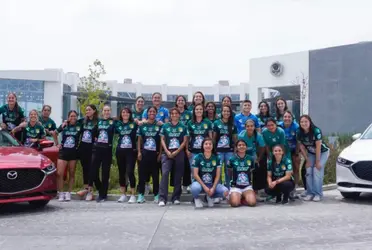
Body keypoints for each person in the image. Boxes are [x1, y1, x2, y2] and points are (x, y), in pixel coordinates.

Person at [159, 108, 188, 206]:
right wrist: (166, 151)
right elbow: (162, 139)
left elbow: (184, 141)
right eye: (172, 113)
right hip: (166, 153)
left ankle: (176, 197)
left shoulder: (183, 127)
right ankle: (162, 198)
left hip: (179, 152)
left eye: (176, 113)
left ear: (179, 115)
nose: (174, 115)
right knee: (165, 173)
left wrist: (177, 152)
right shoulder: (165, 126)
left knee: (178, 175)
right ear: (170, 115)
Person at [297, 115, 330, 202]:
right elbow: (301, 146)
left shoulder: (316, 131)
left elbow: (318, 146)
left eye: (306, 121)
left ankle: (318, 193)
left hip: (322, 152)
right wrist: (307, 160)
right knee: (308, 170)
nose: (304, 123)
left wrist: (317, 161)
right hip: (311, 153)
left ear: (310, 122)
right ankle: (310, 193)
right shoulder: (299, 132)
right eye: (302, 122)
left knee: (316, 170)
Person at [190, 138, 229, 208]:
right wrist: (204, 187)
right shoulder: (197, 157)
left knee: (225, 191)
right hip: (200, 184)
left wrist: (213, 188)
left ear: (213, 146)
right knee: (195, 188)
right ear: (202, 146)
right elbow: (195, 174)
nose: (208, 146)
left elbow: (218, 175)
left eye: (210, 144)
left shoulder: (217, 158)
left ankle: (209, 196)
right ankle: (196, 199)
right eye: (206, 144)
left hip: (212, 184)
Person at [88, 105, 115, 202]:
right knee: (93, 172)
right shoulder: (98, 122)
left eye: (108, 110)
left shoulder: (113, 122)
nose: (107, 112)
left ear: (110, 111)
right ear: (102, 112)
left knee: (105, 173)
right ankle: (100, 189)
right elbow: (93, 133)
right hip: (98, 150)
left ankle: (103, 195)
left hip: (107, 150)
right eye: (105, 110)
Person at [137, 106, 162, 203]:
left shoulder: (159, 125)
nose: (152, 113)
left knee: (155, 176)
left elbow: (161, 140)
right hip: (144, 153)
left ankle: (156, 195)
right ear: (147, 113)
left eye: (153, 112)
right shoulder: (143, 125)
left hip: (155, 154)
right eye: (150, 111)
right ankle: (141, 195)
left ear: (156, 113)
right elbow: (139, 140)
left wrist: (160, 153)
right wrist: (139, 152)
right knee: (142, 175)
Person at [55, 110, 81, 202]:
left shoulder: (79, 125)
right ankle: (61, 193)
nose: (73, 118)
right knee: (59, 173)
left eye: (74, 116)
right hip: (63, 152)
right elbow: (55, 133)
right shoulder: (64, 125)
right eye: (71, 116)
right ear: (68, 117)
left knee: (72, 173)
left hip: (73, 153)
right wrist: (57, 143)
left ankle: (69, 193)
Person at [238, 120, 266, 198]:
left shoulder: (258, 135)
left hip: (253, 154)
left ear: (254, 127)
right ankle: (242, 190)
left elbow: (263, 147)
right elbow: (238, 147)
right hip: (243, 153)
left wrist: (259, 158)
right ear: (245, 127)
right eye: (248, 126)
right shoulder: (241, 135)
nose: (250, 128)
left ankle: (256, 191)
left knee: (256, 167)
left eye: (251, 126)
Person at [76, 104, 99, 201]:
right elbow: (72, 122)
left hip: (93, 148)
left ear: (94, 111)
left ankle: (90, 191)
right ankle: (86, 189)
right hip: (83, 147)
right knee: (85, 169)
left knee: (92, 169)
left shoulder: (98, 122)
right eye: (86, 110)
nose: (87, 112)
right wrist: (65, 122)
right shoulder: (82, 121)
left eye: (89, 110)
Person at [114, 107, 137, 203]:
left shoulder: (134, 124)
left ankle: (133, 195)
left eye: (127, 112)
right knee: (121, 173)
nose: (125, 114)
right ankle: (123, 194)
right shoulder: (118, 124)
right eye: (123, 112)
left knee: (130, 172)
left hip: (131, 152)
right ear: (121, 114)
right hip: (120, 151)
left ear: (130, 114)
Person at [213, 105, 237, 189]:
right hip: (219, 151)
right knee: (218, 171)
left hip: (229, 151)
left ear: (230, 113)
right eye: (224, 111)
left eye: (228, 111)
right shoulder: (216, 123)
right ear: (221, 112)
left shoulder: (233, 124)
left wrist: (235, 150)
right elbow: (214, 138)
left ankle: (228, 189)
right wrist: (214, 150)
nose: (226, 113)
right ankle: (219, 190)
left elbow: (235, 139)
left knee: (228, 171)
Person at [227, 140, 256, 207]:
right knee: (234, 204)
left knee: (252, 203)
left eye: (243, 145)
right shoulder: (232, 159)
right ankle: (233, 195)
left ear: (246, 147)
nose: (241, 146)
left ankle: (243, 197)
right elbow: (229, 172)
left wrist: (251, 185)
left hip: (247, 186)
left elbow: (251, 172)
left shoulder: (250, 158)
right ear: (236, 147)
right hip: (236, 186)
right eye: (239, 145)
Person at [278, 111, 300, 198]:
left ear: (292, 118)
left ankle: (294, 188)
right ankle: (283, 189)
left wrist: (297, 153)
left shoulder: (296, 126)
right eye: (285, 117)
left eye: (289, 117)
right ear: (282, 118)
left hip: (294, 150)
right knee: (283, 169)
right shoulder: (279, 126)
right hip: (283, 151)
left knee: (295, 169)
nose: (287, 118)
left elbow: (298, 141)